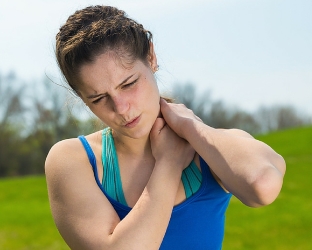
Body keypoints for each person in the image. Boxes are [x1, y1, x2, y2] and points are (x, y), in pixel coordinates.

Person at [45, 5, 286, 250]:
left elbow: (262, 186)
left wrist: (190, 127)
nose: (121, 108)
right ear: (81, 97)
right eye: (98, 98)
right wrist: (168, 163)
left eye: (128, 84)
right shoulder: (73, 160)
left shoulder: (210, 148)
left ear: (151, 57)